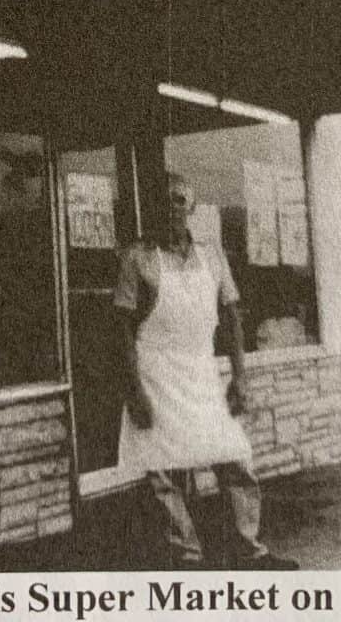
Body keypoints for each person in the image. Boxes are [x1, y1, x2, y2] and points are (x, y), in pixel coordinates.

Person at [114, 174, 298, 569]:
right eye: (163, 200)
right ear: (153, 208)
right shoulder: (137, 257)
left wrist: (240, 376)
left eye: (179, 199)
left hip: (201, 371)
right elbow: (123, 331)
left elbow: (232, 317)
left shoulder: (212, 256)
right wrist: (136, 391)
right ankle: (188, 556)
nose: (171, 207)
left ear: (191, 207)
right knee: (162, 469)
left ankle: (250, 550)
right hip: (155, 373)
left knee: (234, 456)